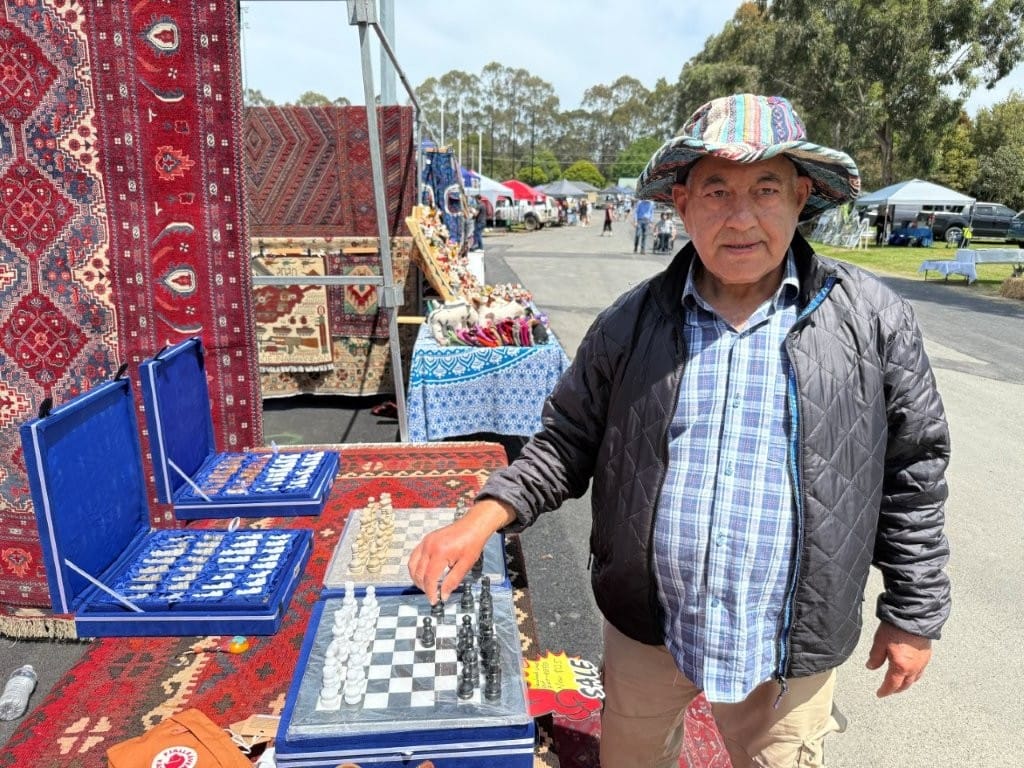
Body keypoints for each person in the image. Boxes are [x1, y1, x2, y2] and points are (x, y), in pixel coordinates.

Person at [408, 93, 950, 768]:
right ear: (682, 204)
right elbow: (566, 440)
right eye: (717, 191)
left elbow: (914, 473)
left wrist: (913, 611)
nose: (742, 217)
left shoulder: (870, 320)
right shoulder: (629, 325)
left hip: (786, 643)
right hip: (648, 631)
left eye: (765, 189)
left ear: (801, 196)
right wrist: (486, 513)